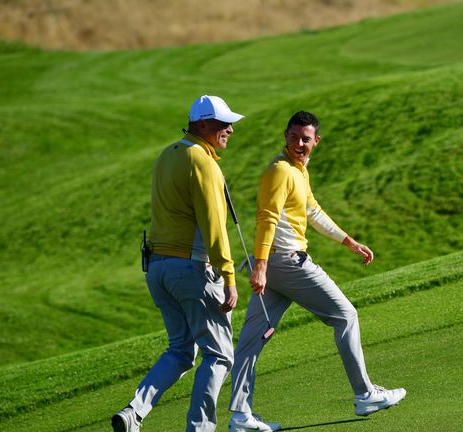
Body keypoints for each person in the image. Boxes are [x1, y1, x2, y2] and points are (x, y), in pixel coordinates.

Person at [227, 111, 406, 432]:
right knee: (345, 316)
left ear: (316, 142)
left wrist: (348, 241)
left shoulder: (298, 171)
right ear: (286, 136)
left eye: (305, 139)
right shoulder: (280, 171)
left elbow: (312, 210)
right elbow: (266, 217)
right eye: (294, 137)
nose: (299, 144)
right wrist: (262, 266)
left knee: (251, 342)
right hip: (285, 263)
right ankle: (364, 394)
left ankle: (240, 416)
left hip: (274, 267)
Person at [112, 95, 244, 432]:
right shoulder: (203, 162)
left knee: (181, 349)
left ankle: (134, 413)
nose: (229, 129)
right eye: (221, 124)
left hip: (157, 269)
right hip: (191, 269)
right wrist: (228, 275)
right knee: (219, 355)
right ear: (202, 125)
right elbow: (215, 226)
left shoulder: (167, 155)